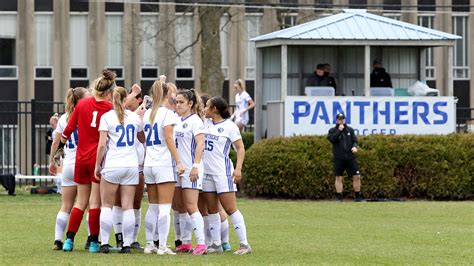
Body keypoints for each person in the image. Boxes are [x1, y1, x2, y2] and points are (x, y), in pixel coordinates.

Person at [55, 70, 117, 253]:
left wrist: (60, 147)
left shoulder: (82, 104)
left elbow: (68, 129)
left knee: (80, 202)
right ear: (108, 92)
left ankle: (68, 240)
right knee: (95, 203)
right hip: (97, 160)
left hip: (80, 159)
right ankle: (93, 242)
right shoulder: (109, 108)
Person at [94, 86, 145, 254]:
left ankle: (105, 243)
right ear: (125, 100)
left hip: (113, 165)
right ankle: (127, 245)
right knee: (128, 206)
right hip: (131, 165)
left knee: (107, 205)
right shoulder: (135, 118)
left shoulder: (107, 117)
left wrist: (97, 165)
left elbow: (102, 145)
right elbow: (142, 138)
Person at [202, 96, 252, 255]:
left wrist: (238, 169)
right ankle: (216, 244)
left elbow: (240, 148)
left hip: (222, 173)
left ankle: (244, 244)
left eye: (207, 106)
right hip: (207, 173)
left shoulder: (230, 126)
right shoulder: (205, 123)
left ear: (215, 109)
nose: (205, 108)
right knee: (211, 210)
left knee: (231, 209)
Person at [142, 79, 185, 255]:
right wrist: (179, 161)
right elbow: (168, 139)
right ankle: (162, 246)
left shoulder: (147, 114)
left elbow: (141, 137)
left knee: (152, 206)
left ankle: (149, 244)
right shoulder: (167, 114)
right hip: (163, 164)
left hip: (149, 163)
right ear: (168, 94)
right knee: (165, 208)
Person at [49, 87, 89, 250]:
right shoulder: (87, 115)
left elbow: (56, 143)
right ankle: (92, 239)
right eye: (87, 96)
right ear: (81, 100)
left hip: (68, 165)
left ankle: (58, 240)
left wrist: (53, 161)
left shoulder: (64, 118)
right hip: (83, 164)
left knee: (66, 205)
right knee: (89, 205)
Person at [172, 89, 207, 255]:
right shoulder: (176, 120)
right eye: (176, 102)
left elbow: (200, 144)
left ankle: (201, 243)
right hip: (177, 169)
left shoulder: (196, 121)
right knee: (180, 206)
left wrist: (195, 165)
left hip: (191, 169)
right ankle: (186, 242)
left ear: (190, 104)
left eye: (181, 102)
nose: (177, 105)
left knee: (192, 205)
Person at [327, 113, 362, 202]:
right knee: (339, 177)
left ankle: (357, 197)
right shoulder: (332, 130)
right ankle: (339, 197)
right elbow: (332, 139)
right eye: (339, 119)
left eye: (342, 119)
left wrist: (354, 146)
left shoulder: (350, 130)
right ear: (336, 120)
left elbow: (355, 141)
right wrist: (339, 131)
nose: (341, 120)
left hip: (350, 157)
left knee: (357, 176)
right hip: (339, 158)